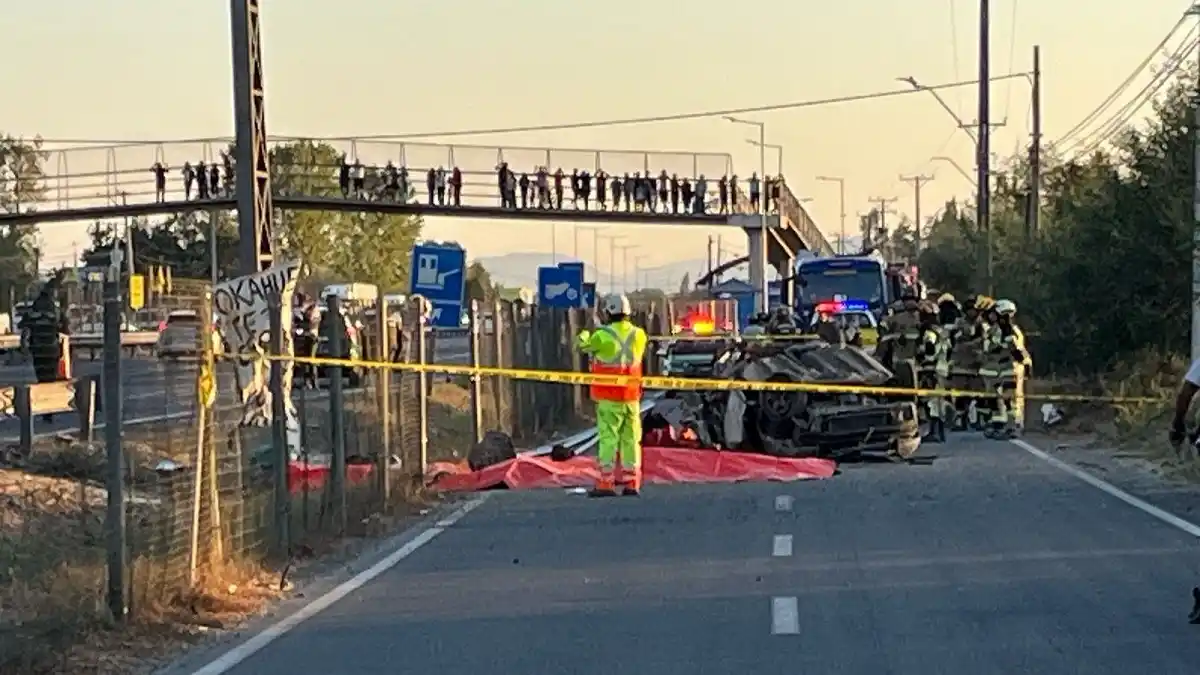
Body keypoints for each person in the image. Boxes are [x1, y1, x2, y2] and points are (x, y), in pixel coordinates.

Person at [576, 293, 648, 497]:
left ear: (608, 311)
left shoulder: (601, 336)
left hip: (609, 397)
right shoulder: (639, 335)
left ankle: (605, 483)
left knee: (609, 439)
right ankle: (632, 483)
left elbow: (581, 347)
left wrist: (583, 335)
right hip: (632, 397)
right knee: (631, 440)